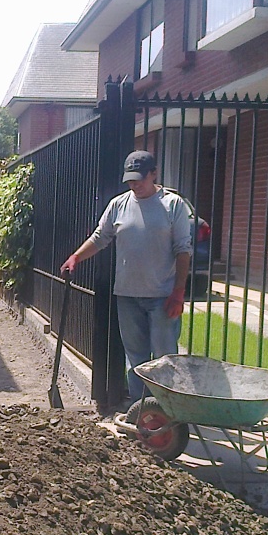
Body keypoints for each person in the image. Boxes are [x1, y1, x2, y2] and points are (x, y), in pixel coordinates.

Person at [61, 150, 193, 406]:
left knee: (165, 357)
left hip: (162, 296)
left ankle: (167, 410)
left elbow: (183, 250)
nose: (135, 185)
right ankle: (140, 409)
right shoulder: (119, 204)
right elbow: (100, 237)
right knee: (136, 357)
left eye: (139, 179)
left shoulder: (173, 205)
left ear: (154, 173)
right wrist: (76, 257)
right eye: (130, 180)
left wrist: (178, 292)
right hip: (128, 295)